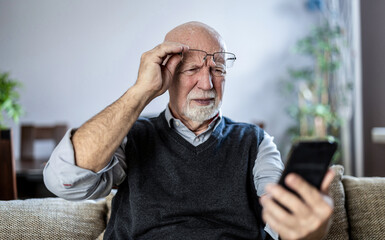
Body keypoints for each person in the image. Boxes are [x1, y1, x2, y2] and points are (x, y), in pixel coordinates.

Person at [44, 21, 334, 240]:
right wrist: (141, 92)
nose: (207, 84)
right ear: (166, 76)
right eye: (192, 69)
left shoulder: (254, 142)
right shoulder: (132, 134)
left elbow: (280, 213)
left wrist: (306, 226)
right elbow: (65, 180)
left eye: (217, 68)